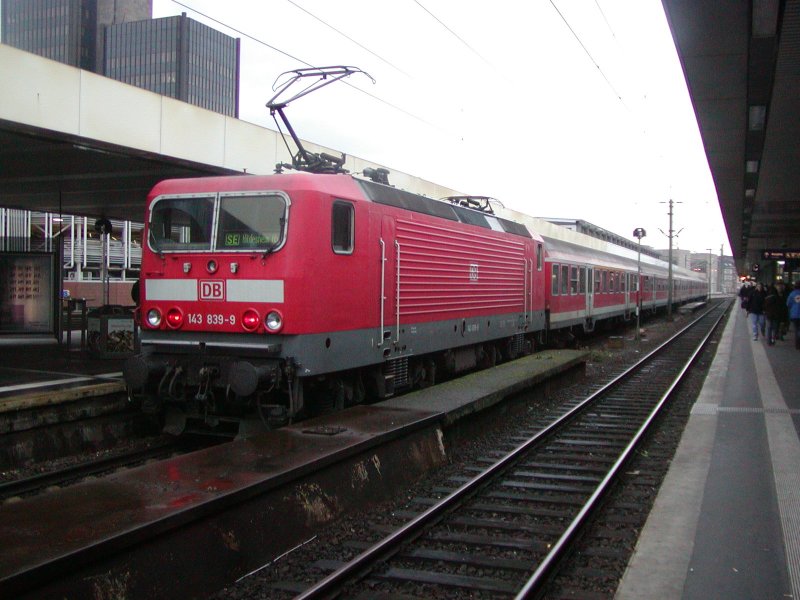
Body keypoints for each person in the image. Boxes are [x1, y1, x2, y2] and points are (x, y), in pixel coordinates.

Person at [787, 280, 800, 350]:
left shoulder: (792, 294)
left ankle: (797, 344)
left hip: (794, 314)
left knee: (796, 329)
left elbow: (788, 304)